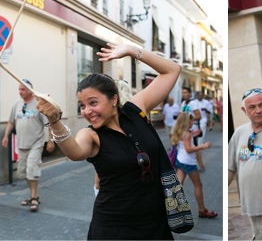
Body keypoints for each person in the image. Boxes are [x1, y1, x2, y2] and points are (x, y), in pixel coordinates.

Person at [36, 43, 182, 239]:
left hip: (155, 223)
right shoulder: (91, 135)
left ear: (114, 99)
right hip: (113, 228)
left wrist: (131, 51)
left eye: (93, 103)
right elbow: (75, 152)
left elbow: (172, 70)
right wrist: (54, 120)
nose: (87, 111)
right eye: (82, 105)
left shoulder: (135, 110)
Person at [228, 88, 262, 241]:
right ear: (244, 110)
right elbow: (229, 168)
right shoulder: (240, 133)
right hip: (252, 208)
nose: (258, 110)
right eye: (252, 107)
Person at [2, 79, 54, 212]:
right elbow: (10, 122)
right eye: (19, 89)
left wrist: (50, 140)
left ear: (30, 90)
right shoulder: (17, 104)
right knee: (24, 171)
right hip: (22, 144)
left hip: (36, 143)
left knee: (32, 168)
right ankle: (32, 196)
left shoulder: (38, 104)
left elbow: (49, 124)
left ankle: (34, 197)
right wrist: (6, 136)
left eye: (23, 89)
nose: (20, 92)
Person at [171, 112, 217, 218]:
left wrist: (193, 135)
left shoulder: (180, 132)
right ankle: (202, 210)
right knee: (198, 185)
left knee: (178, 186)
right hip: (188, 163)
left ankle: (171, 208)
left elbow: (185, 142)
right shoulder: (186, 133)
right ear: (187, 122)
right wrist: (203, 146)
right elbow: (188, 149)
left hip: (180, 161)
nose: (193, 122)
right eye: (191, 120)